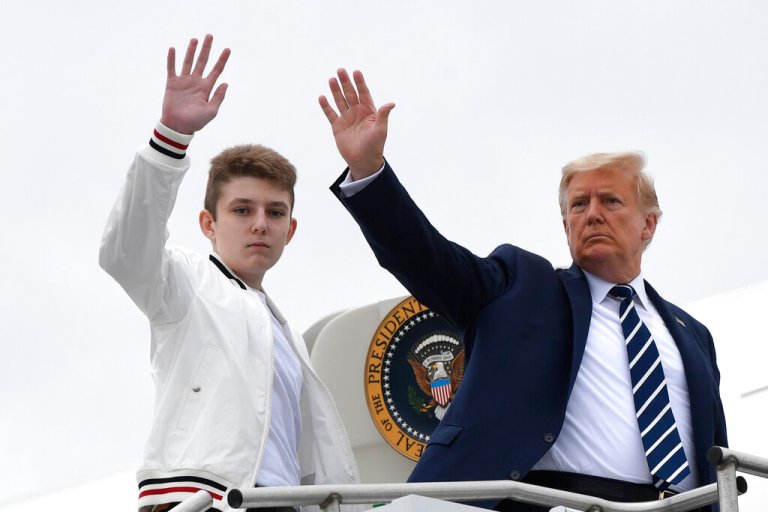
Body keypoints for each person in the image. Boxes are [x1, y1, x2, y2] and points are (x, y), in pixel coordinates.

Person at [318, 69, 727, 511]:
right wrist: (369, 172)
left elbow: (715, 453)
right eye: (578, 205)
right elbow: (425, 258)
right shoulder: (522, 285)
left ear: (648, 223)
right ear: (565, 223)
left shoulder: (692, 334)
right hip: (552, 501)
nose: (592, 215)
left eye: (610, 201)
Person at [99, 36, 359, 512]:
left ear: (290, 230)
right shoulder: (184, 283)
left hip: (283, 503)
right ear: (208, 224)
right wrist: (170, 137)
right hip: (201, 498)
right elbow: (125, 252)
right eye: (242, 209)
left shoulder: (289, 337)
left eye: (275, 212)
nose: (260, 223)